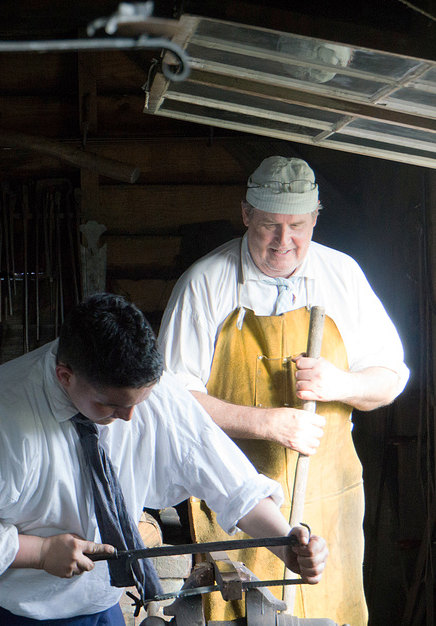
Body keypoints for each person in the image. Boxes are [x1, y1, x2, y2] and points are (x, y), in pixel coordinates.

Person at [0, 292, 328, 625]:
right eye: (111, 406)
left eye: (139, 401)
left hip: (94, 607)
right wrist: (39, 553)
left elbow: (227, 477)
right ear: (65, 376)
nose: (129, 417)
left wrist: (285, 542)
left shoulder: (152, 393)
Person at [158, 156, 410, 626]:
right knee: (238, 613)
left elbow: (391, 376)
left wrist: (342, 383)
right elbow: (168, 399)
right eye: (270, 225)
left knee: (329, 613)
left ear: (315, 217)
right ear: (246, 215)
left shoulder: (343, 277)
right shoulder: (204, 284)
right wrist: (264, 422)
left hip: (328, 500)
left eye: (297, 226)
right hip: (234, 505)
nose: (284, 242)